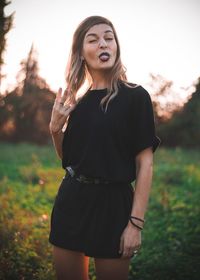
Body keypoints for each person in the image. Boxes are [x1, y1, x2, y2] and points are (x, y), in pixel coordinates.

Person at [49, 15, 160, 280]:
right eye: (94, 39)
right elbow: (71, 160)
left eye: (109, 38)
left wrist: (135, 224)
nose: (103, 44)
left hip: (113, 206)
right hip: (72, 201)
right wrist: (55, 131)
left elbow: (145, 163)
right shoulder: (78, 102)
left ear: (116, 47)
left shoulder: (136, 96)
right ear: (81, 52)